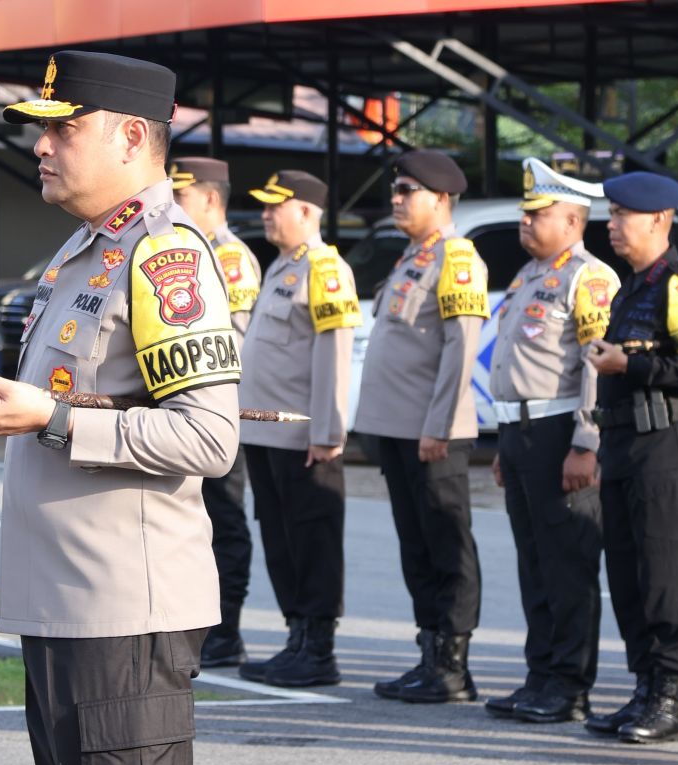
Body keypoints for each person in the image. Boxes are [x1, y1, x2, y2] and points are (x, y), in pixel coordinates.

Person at [0, 51, 240, 765]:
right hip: (61, 605)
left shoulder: (164, 252)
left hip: (121, 615)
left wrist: (50, 419)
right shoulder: (87, 248)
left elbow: (208, 437)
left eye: (65, 129)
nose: (41, 145)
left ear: (131, 137)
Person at [485, 158, 618, 723]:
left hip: (560, 432)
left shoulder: (589, 277)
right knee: (534, 562)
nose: (525, 221)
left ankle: (568, 684)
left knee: (567, 564)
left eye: (537, 214)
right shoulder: (529, 275)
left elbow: (595, 366)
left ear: (572, 220)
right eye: (525, 213)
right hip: (520, 432)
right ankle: (540, 674)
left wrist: (586, 441)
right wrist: (503, 443)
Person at [354, 149, 489, 703]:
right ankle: (430, 654)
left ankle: (453, 665)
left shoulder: (456, 258)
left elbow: (460, 350)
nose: (396, 199)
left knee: (446, 545)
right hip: (398, 429)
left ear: (441, 198)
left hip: (432, 433)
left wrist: (441, 425)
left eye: (407, 191)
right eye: (396, 189)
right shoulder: (413, 257)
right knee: (417, 545)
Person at [234, 171, 360, 687]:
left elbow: (334, 355)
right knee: (282, 540)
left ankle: (318, 649)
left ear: (306, 212)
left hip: (303, 438)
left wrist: (327, 432)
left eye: (275, 206)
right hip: (266, 434)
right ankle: (296, 639)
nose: (266, 215)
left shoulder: (325, 268)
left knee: (313, 541)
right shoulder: (281, 266)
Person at [586, 171, 678, 744]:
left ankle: (671, 696)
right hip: (624, 444)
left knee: (662, 574)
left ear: (658, 220)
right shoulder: (632, 286)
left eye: (622, 214)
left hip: (665, 447)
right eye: (611, 214)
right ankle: (644, 689)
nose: (612, 224)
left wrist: (630, 365)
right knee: (626, 575)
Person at [169, 156, 262, 668]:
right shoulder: (186, 248)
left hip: (218, 413)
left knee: (224, 522)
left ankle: (227, 630)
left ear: (209, 198)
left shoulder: (229, 257)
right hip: (184, 414)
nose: (172, 203)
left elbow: (235, 343)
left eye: (180, 195)